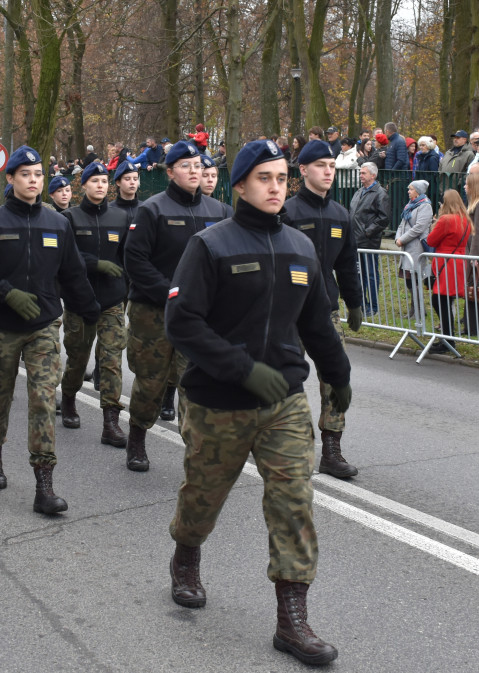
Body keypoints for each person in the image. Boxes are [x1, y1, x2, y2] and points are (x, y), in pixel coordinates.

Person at [164, 139, 351, 666]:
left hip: (283, 403)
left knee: (294, 501)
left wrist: (338, 374)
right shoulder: (210, 245)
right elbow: (182, 324)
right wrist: (242, 369)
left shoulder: (300, 246)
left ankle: (292, 619)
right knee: (203, 497)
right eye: (264, 178)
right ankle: (185, 556)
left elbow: (315, 322)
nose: (276, 187)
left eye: (281, 178)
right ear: (240, 185)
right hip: (218, 402)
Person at [0, 145, 101, 515]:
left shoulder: (58, 223)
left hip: (43, 327)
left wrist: (90, 310)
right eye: (25, 175)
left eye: (38, 175)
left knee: (41, 400)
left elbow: (72, 274)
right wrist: (5, 293)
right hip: (1, 328)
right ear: (10, 179)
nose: (33, 181)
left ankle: (44, 484)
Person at [122, 140, 231, 472]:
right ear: (169, 172)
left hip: (200, 316)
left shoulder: (221, 212)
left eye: (198, 166)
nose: (194, 171)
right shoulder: (151, 209)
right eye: (186, 166)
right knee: (151, 383)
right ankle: (137, 436)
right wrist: (170, 293)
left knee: (194, 381)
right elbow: (135, 260)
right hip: (154, 313)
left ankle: (198, 452)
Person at [284, 138, 363, 479]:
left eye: (332, 166)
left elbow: (347, 264)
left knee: (335, 376)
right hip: (287, 311)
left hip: (325, 308)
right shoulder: (286, 211)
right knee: (286, 377)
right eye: (321, 166)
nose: (328, 172)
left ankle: (331, 450)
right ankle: (284, 442)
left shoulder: (340, 214)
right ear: (303, 170)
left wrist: (355, 302)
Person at [58, 161, 129, 448]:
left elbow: (126, 257)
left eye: (104, 181)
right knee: (77, 359)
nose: (100, 185)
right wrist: (95, 264)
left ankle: (110, 421)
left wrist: (124, 287)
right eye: (95, 181)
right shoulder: (70, 219)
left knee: (111, 361)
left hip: (112, 301)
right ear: (83, 185)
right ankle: (68, 398)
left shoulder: (120, 217)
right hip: (79, 301)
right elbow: (66, 259)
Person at [425, 190, 470, 354]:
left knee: (440, 301)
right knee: (445, 301)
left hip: (446, 262)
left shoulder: (446, 219)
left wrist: (434, 225)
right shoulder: (465, 219)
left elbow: (431, 240)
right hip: (458, 261)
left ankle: (448, 340)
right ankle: (447, 338)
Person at [349, 162, 390, 316]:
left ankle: (372, 307)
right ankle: (360, 304)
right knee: (358, 274)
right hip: (355, 241)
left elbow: (384, 218)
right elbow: (353, 212)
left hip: (368, 242)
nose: (360, 175)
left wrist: (368, 232)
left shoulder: (380, 194)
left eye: (363, 173)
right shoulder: (359, 192)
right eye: (360, 173)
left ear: (373, 175)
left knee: (370, 274)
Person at [395, 179, 433, 319]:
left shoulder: (425, 206)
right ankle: (414, 310)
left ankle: (419, 310)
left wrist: (402, 239)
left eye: (410, 189)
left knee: (415, 279)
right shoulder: (410, 205)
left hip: (416, 248)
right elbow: (401, 224)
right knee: (409, 280)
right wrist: (398, 238)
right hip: (406, 248)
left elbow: (419, 228)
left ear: (418, 191)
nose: (408, 191)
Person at [461, 170, 479, 336]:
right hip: (472, 250)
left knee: (476, 288)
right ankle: (470, 325)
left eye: (467, 184)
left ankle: (477, 327)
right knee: (471, 288)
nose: (465, 187)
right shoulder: (474, 204)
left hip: (477, 251)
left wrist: (473, 257)